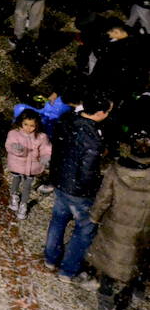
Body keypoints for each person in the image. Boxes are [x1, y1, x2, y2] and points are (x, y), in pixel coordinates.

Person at [44, 94, 113, 281]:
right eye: (107, 112)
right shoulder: (93, 140)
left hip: (61, 181)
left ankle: (50, 258)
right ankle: (68, 269)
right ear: (99, 113)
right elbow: (87, 171)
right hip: (79, 192)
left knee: (58, 220)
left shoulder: (68, 120)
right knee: (83, 230)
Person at [87, 130, 150, 310]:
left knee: (109, 267)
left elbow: (103, 199)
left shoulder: (116, 170)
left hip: (115, 227)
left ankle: (104, 306)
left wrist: (95, 217)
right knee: (139, 263)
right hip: (143, 230)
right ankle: (137, 290)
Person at [6, 109, 52, 221]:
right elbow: (9, 145)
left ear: (37, 125)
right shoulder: (14, 133)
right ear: (21, 122)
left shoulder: (41, 137)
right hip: (17, 164)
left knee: (27, 186)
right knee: (16, 181)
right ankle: (14, 196)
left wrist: (45, 157)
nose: (28, 128)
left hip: (33, 166)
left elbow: (46, 149)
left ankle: (23, 204)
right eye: (25, 124)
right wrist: (16, 149)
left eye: (32, 125)